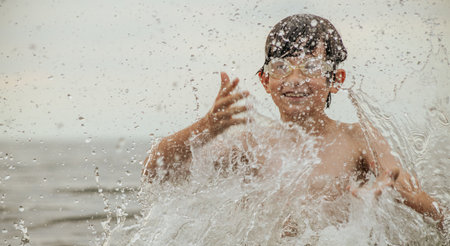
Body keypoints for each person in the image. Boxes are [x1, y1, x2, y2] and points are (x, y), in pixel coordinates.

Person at [142, 14, 443, 227]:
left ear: (335, 79)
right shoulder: (249, 142)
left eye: (311, 66)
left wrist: (387, 187)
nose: (294, 79)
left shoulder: (356, 138)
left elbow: (409, 187)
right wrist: (205, 127)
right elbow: (156, 172)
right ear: (264, 79)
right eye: (281, 66)